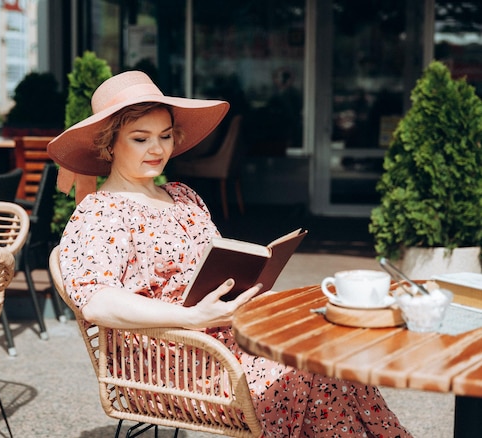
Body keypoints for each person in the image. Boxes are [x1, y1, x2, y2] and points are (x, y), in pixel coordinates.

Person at [47, 71, 412, 437]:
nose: (157, 150)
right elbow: (97, 302)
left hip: (227, 338)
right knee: (308, 373)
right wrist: (191, 316)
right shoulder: (101, 213)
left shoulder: (183, 196)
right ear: (110, 145)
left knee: (332, 357)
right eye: (140, 139)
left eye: (165, 136)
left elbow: (216, 263)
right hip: (173, 362)